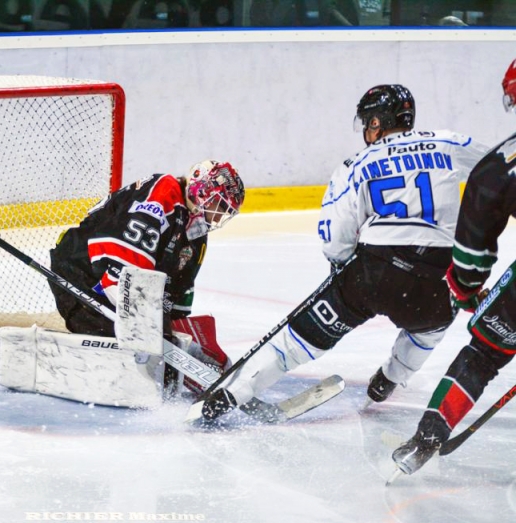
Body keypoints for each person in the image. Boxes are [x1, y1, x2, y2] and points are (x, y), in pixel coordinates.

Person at [199, 84, 489, 422]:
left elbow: (336, 238)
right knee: (429, 329)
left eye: (368, 122)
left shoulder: (358, 163)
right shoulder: (447, 142)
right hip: (437, 276)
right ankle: (389, 379)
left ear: (378, 122)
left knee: (299, 339)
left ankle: (231, 393)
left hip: (374, 271)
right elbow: (500, 168)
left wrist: (343, 274)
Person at [392, 59, 516, 476]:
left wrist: (465, 290)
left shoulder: (498, 168)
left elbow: (469, 261)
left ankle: (427, 437)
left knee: (484, 351)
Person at [48, 160, 245, 372]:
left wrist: (178, 340)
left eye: (225, 211)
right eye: (219, 205)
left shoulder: (196, 233)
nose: (218, 215)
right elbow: (122, 272)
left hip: (120, 285)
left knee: (156, 354)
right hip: (79, 270)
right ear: (203, 189)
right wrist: (150, 332)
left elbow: (175, 298)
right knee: (125, 351)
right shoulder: (164, 190)